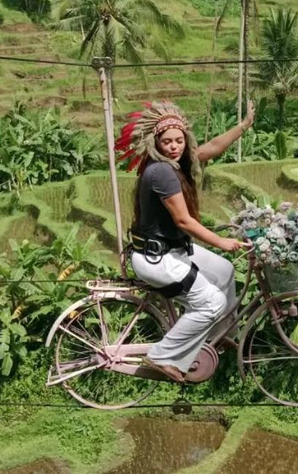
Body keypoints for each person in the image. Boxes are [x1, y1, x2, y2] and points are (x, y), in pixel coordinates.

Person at [114, 100, 255, 383]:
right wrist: (222, 242)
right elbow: (183, 221)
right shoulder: (161, 172)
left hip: (173, 251)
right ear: (156, 142)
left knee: (224, 271)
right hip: (158, 259)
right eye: (167, 142)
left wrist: (243, 126)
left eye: (179, 141)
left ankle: (217, 337)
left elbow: (211, 148)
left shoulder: (176, 163)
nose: (174, 146)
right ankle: (162, 357)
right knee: (212, 302)